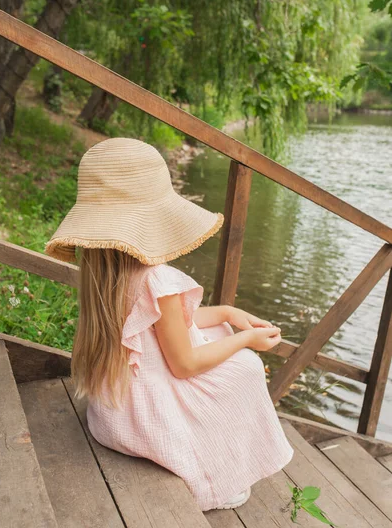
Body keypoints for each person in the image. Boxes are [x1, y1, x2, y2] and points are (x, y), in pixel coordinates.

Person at [45, 137, 294, 512]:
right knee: (246, 367)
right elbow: (185, 365)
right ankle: (216, 472)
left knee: (217, 330)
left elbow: (161, 324)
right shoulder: (155, 278)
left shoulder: (101, 271)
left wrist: (226, 313)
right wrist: (247, 339)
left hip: (114, 413)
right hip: (149, 421)